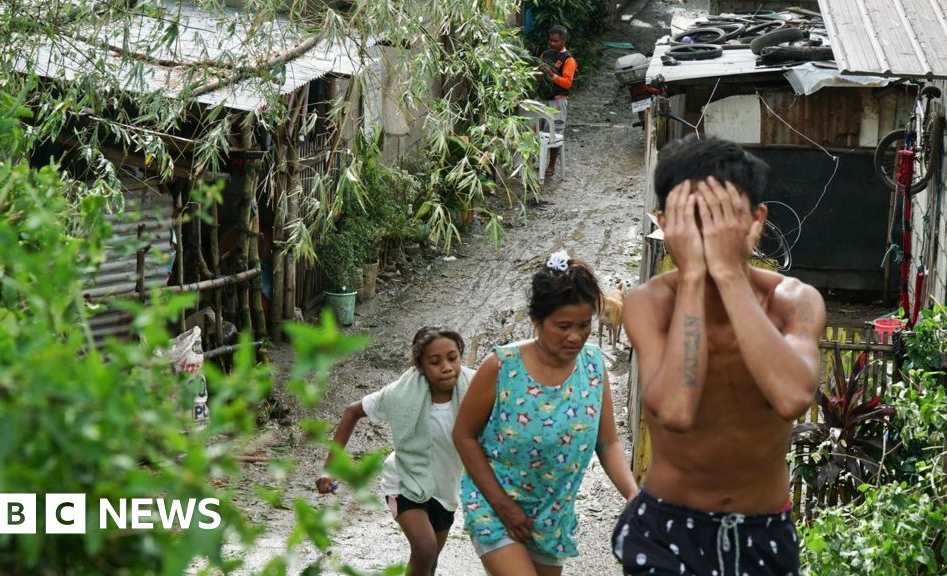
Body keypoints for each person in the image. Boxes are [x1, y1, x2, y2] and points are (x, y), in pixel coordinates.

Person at [613, 136, 826, 575]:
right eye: (692, 220)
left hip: (763, 532)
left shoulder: (794, 302)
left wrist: (730, 273)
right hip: (667, 529)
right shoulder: (649, 303)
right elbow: (674, 409)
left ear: (756, 221)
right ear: (664, 223)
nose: (707, 236)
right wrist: (692, 278)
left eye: (721, 219)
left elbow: (791, 397)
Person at [453, 251, 638, 576]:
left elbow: (607, 443)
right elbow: (464, 435)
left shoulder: (594, 367)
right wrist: (502, 506)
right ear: (537, 320)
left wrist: (635, 497)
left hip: (553, 514)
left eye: (584, 325)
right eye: (563, 326)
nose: (575, 336)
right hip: (494, 507)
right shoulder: (501, 367)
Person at [316, 326, 475, 575]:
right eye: (435, 362)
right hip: (404, 481)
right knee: (425, 547)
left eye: (452, 358)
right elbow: (352, 411)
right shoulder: (400, 394)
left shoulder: (475, 389)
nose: (446, 367)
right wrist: (329, 469)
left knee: (429, 563)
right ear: (420, 367)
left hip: (446, 490)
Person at [537, 25, 576, 178]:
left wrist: (552, 76)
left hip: (557, 102)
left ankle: (551, 166)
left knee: (554, 135)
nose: (552, 43)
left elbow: (567, 83)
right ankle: (537, 162)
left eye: (555, 41)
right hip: (542, 100)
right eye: (550, 40)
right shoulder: (545, 54)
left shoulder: (569, 59)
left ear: (563, 41)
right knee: (537, 133)